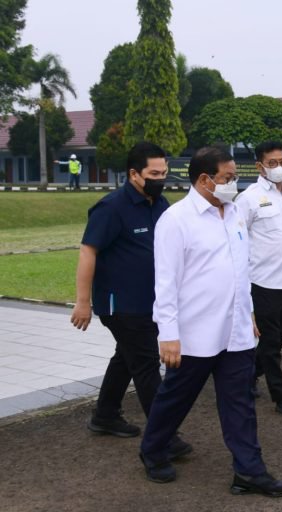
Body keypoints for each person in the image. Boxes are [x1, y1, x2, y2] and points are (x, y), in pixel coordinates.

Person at [139, 146, 282, 497]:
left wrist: (248, 314)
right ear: (204, 179)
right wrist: (168, 334)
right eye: (227, 178)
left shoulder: (234, 212)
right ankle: (153, 450)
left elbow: (241, 270)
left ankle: (249, 471)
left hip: (235, 331)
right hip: (194, 333)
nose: (233, 184)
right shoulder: (176, 220)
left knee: (240, 402)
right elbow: (165, 283)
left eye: (234, 177)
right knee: (176, 397)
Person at [70, 141, 190, 458]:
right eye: (154, 174)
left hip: (151, 302)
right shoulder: (111, 208)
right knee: (147, 364)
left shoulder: (161, 204)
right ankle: (164, 436)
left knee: (126, 357)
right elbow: (88, 252)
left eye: (164, 173)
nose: (161, 179)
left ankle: (105, 415)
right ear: (134, 174)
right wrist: (83, 301)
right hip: (121, 304)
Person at [235, 141, 282, 418]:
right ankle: (281, 396)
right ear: (259, 166)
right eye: (272, 163)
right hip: (263, 282)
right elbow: (237, 240)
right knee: (271, 342)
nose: (279, 167)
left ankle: (249, 374)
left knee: (278, 338)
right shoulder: (248, 198)